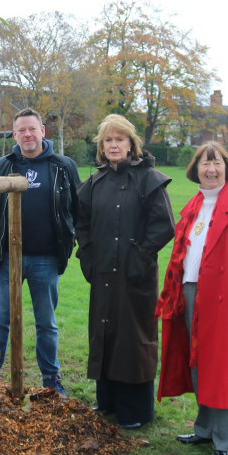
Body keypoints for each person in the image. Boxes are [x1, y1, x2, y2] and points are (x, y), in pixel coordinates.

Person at [155, 142, 228, 455]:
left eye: (216, 163)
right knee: (200, 364)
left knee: (226, 371)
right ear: (196, 170)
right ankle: (204, 429)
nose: (211, 169)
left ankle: (227, 443)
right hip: (191, 294)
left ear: (227, 166)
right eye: (205, 164)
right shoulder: (196, 203)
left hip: (227, 303)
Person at [75, 114, 175, 429]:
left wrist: (140, 256)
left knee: (133, 339)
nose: (114, 145)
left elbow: (164, 225)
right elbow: (83, 223)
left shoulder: (149, 179)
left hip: (136, 277)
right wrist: (88, 256)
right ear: (101, 147)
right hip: (103, 273)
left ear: (131, 143)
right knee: (105, 333)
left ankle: (135, 411)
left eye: (120, 139)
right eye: (108, 140)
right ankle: (107, 403)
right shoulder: (95, 182)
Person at [0, 108, 80, 395]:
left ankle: (51, 381)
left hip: (46, 259)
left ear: (43, 131)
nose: (27, 134)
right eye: (21, 130)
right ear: (14, 135)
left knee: (46, 324)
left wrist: (70, 240)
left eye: (32, 129)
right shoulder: (1, 166)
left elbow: (77, 209)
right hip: (6, 260)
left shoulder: (63, 165)